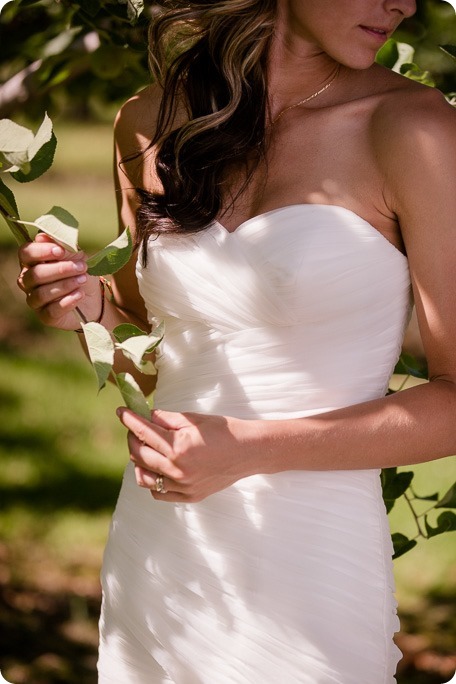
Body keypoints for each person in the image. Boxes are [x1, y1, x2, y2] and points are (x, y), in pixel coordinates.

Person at [16, 1, 456, 682]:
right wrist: (85, 306)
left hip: (312, 564)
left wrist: (251, 449)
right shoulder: (150, 121)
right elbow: (159, 355)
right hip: (161, 545)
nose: (402, 2)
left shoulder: (415, 129)